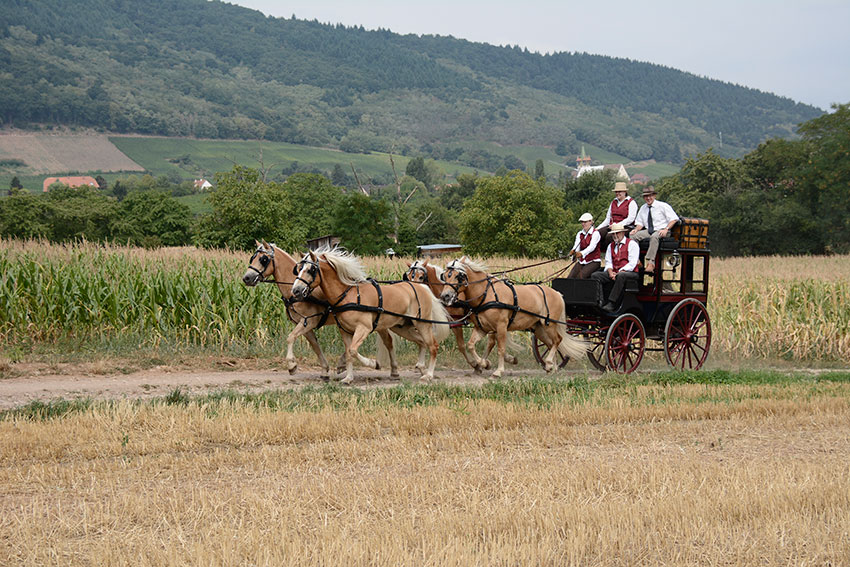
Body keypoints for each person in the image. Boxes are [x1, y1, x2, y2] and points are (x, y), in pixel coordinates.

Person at [591, 222, 640, 312]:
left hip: (630, 273)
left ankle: (612, 303)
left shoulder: (632, 244)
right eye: (613, 234)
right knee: (595, 275)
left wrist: (619, 272)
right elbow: (608, 262)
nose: (615, 236)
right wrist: (610, 272)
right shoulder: (611, 246)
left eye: (617, 233)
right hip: (614, 272)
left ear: (622, 233)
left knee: (621, 276)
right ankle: (600, 301)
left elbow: (632, 263)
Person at [630, 186, 680, 273]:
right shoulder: (643, 208)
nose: (648, 198)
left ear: (654, 196)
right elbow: (640, 223)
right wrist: (636, 229)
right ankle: (636, 260)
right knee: (632, 236)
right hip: (649, 230)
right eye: (646, 196)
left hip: (662, 230)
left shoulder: (663, 206)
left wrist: (666, 229)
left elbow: (674, 219)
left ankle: (651, 262)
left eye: (650, 196)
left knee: (654, 236)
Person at [596, 181, 637, 246]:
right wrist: (597, 228)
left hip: (625, 227)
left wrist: (617, 225)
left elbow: (630, 219)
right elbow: (608, 219)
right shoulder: (613, 202)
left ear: (625, 192)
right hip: (611, 226)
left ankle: (613, 254)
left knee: (609, 237)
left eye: (619, 192)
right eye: (616, 192)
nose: (617, 193)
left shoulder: (631, 202)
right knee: (596, 234)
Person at [567, 212, 601, 279]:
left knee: (580, 277)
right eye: (582, 222)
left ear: (590, 222)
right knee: (570, 277)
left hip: (594, 261)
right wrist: (573, 251)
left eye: (585, 222)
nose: (583, 224)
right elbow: (576, 245)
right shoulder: (579, 234)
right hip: (582, 261)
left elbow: (592, 247)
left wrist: (581, 253)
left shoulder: (596, 233)